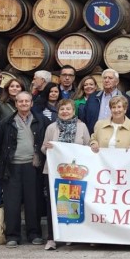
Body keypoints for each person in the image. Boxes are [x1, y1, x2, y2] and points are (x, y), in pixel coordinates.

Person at [0, 91, 48, 248]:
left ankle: (34, 233)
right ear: (16, 104)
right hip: (12, 166)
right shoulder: (7, 122)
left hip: (33, 166)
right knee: (12, 202)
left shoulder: (41, 120)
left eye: (27, 101)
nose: (23, 104)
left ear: (31, 103)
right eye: (20, 101)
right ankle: (12, 235)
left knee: (33, 201)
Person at [41, 99, 90, 250]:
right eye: (62, 109)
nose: (65, 112)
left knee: (74, 204)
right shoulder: (51, 127)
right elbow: (43, 147)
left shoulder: (82, 127)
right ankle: (52, 237)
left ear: (73, 111)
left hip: (76, 174)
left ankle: (71, 236)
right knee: (54, 205)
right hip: (55, 173)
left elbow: (87, 146)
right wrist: (48, 148)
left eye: (68, 109)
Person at [0, 78, 26, 209]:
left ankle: (13, 201)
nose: (15, 88)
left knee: (15, 176)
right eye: (12, 86)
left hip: (20, 146)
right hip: (1, 146)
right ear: (7, 88)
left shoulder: (25, 104)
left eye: (18, 86)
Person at [80, 69, 130, 135]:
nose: (107, 80)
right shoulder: (93, 97)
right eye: (105, 78)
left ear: (117, 81)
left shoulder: (125, 99)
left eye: (110, 78)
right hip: (95, 135)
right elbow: (85, 117)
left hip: (117, 136)